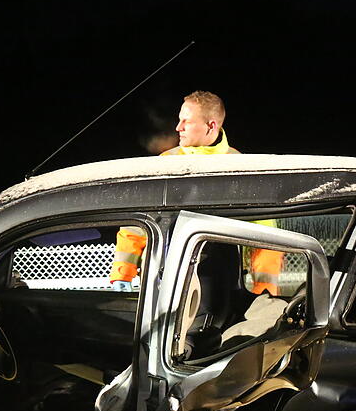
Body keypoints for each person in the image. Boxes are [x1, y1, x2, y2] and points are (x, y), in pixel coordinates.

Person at [110, 91, 282, 294]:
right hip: (163, 281)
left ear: (211, 126)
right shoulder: (166, 162)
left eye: (187, 121)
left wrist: (265, 287)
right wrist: (123, 271)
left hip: (220, 284)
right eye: (179, 120)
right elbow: (138, 221)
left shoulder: (239, 168)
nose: (178, 128)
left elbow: (264, 233)